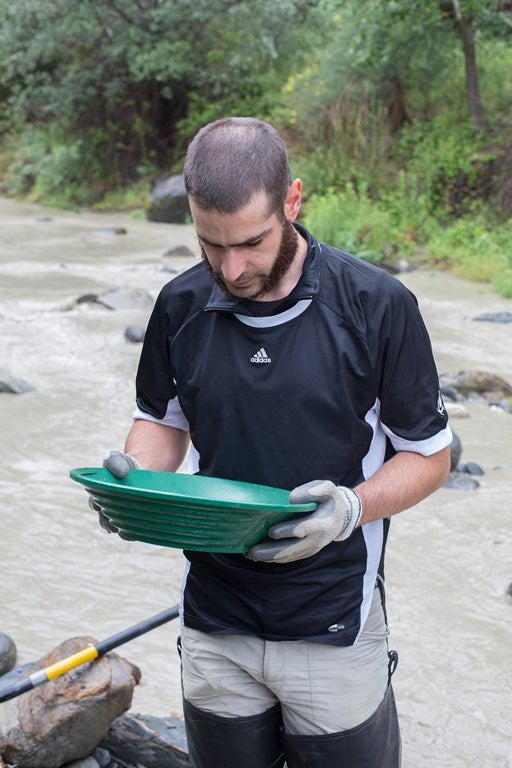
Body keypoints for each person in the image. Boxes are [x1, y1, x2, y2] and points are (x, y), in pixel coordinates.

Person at [97, 117, 452, 767]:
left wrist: (352, 507)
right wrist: (135, 484)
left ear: (292, 201)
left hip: (333, 624)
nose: (232, 268)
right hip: (214, 623)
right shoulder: (180, 304)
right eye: (211, 244)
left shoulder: (377, 305)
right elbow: (163, 421)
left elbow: (429, 455)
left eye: (251, 242)